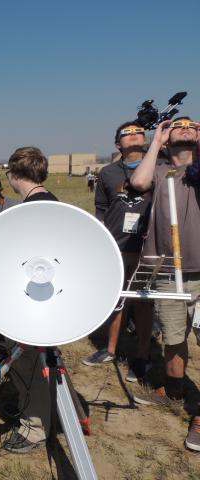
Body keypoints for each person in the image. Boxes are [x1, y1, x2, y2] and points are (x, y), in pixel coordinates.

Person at [130, 117, 200, 451]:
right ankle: (173, 391)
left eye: (192, 125)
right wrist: (156, 140)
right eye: (179, 125)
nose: (186, 127)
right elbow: (138, 182)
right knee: (173, 339)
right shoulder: (159, 171)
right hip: (167, 272)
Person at [81, 121, 153, 383]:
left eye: (139, 132)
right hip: (116, 247)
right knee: (117, 299)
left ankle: (143, 356)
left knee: (144, 302)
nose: (135, 135)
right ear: (117, 144)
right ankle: (111, 349)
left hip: (147, 247)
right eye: (128, 133)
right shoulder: (108, 173)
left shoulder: (158, 167)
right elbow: (100, 210)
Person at [3, 147, 57, 453]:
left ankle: (34, 429)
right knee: (42, 362)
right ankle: (53, 412)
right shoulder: (51, 203)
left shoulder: (32, 209)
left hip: (32, 305)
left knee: (26, 362)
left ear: (13, 174)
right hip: (45, 300)